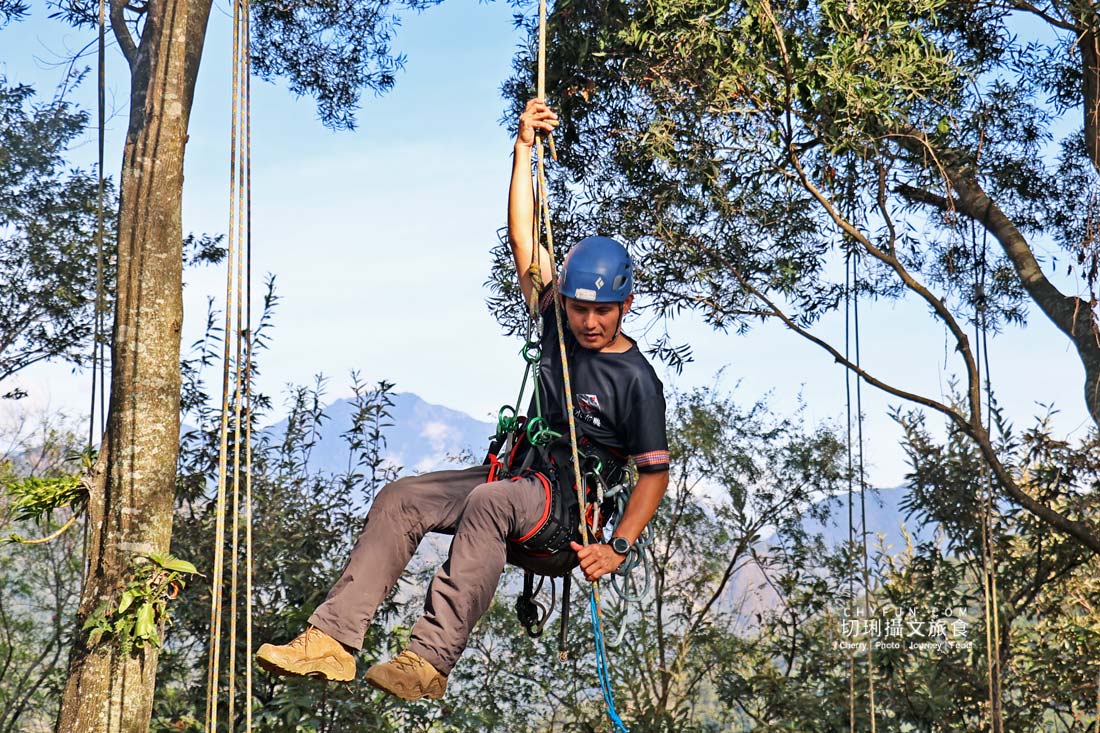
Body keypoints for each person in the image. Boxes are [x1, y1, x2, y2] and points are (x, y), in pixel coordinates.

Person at [255, 99, 670, 702]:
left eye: (602, 310)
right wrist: (523, 148)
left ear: (626, 305)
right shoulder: (557, 321)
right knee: (402, 499)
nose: (588, 321)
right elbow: (524, 240)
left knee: (489, 503)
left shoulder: (636, 380)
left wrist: (618, 547)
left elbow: (654, 474)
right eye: (578, 307)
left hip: (566, 513)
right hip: (521, 476)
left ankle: (428, 662)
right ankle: (332, 642)